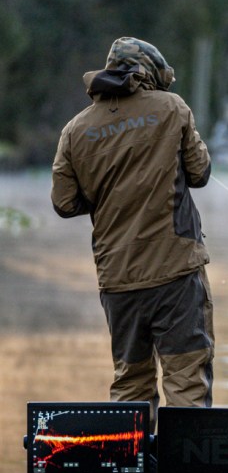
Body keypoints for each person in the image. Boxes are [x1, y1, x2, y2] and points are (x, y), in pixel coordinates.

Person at [51, 37, 214, 417]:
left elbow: (64, 203)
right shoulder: (172, 107)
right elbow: (200, 173)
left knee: (130, 384)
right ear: (150, 73)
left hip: (118, 281)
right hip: (176, 274)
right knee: (187, 380)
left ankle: (128, 457)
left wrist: (107, 194)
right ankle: (185, 458)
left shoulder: (75, 129)